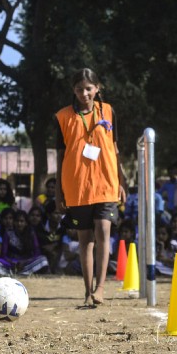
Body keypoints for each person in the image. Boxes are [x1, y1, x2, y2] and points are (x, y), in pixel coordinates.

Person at [54, 68, 127, 307]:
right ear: (73, 90)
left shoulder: (108, 112)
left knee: (103, 230)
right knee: (85, 238)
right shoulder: (63, 116)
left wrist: (123, 181)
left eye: (88, 88)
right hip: (76, 186)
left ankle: (101, 288)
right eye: (78, 89)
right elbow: (60, 155)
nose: (84, 93)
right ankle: (87, 291)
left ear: (98, 88)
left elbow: (115, 149)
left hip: (106, 182)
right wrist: (58, 191)